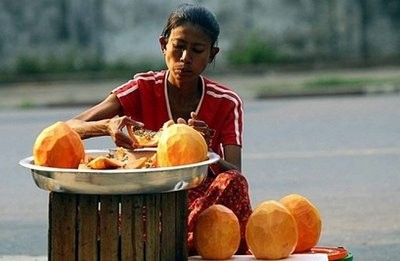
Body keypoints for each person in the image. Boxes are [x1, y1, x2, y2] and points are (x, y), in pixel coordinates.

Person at [67, 3, 252, 254]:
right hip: (147, 197)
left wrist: (206, 151)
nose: (185, 58)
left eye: (197, 50)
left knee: (234, 182)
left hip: (203, 202)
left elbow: (235, 170)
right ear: (164, 45)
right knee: (85, 207)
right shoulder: (141, 88)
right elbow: (68, 127)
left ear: (212, 55)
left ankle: (167, 242)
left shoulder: (226, 101)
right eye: (179, 47)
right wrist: (107, 125)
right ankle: (175, 241)